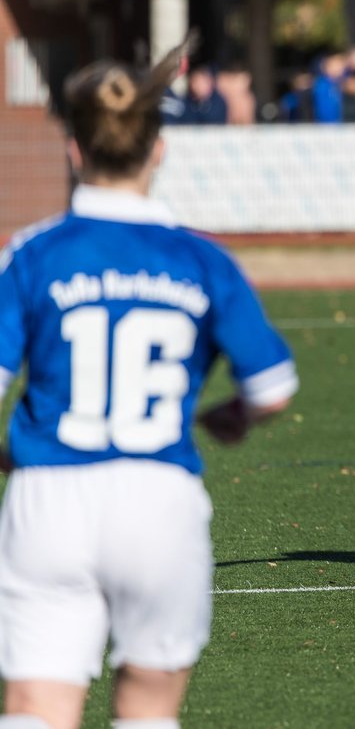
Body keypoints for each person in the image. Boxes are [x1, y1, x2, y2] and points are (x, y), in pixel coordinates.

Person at [0, 44, 298, 728]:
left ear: (74, 150)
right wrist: (236, 416)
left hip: (48, 501)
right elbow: (275, 385)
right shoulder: (200, 258)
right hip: (157, 501)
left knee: (34, 710)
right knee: (146, 708)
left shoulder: (32, 253)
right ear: (158, 149)